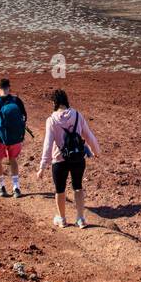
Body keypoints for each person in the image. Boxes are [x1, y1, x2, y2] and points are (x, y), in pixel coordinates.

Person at [37, 88, 100, 228]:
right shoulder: (77, 115)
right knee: (78, 187)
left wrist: (42, 166)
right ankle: (81, 219)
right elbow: (88, 135)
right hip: (78, 158)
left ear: (54, 102)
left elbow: (48, 144)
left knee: (60, 190)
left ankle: (62, 219)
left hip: (59, 160)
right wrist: (96, 150)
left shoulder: (51, 120)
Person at [0, 78, 28, 198]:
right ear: (9, 87)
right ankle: (16, 188)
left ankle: (2, 187)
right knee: (13, 159)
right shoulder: (16, 100)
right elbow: (24, 117)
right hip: (15, 138)